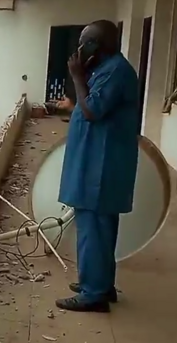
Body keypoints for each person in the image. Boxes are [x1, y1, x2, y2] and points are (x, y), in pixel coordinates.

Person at [56, 20, 140, 313]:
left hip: (101, 168)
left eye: (86, 41)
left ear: (100, 45)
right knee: (99, 229)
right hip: (96, 162)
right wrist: (84, 72)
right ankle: (100, 284)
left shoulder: (116, 71)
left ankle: (94, 294)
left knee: (94, 229)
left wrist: (78, 76)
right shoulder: (106, 69)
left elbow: (92, 110)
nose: (80, 48)